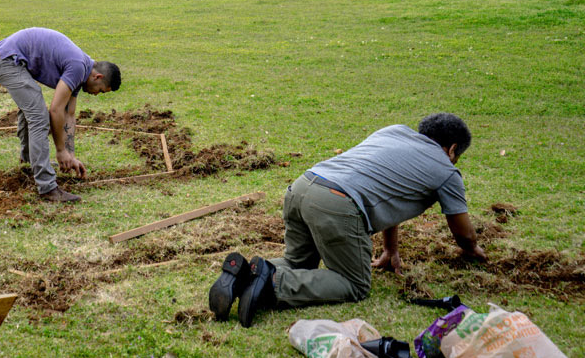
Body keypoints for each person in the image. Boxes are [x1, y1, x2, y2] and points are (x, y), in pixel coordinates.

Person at [209, 113, 488, 327]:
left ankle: (245, 272)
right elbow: (463, 233)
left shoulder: (395, 132)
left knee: (299, 263)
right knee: (354, 285)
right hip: (336, 203)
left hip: (303, 186)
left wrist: (391, 249)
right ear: (452, 150)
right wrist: (472, 249)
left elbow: (391, 197)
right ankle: (271, 283)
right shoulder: (446, 171)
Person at [0, 28, 121, 203]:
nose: (96, 94)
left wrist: (70, 154)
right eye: (100, 91)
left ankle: (30, 161)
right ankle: (47, 187)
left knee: (33, 109)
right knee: (39, 117)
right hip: (8, 61)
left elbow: (69, 114)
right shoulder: (78, 66)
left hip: (10, 58)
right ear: (98, 77)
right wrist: (60, 151)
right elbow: (55, 110)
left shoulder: (82, 70)